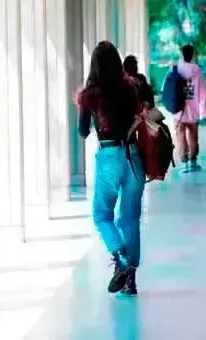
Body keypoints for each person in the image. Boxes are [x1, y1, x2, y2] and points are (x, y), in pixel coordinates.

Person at [77, 41, 146, 296]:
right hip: (133, 156)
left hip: (109, 157)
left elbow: (83, 132)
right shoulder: (129, 88)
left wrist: (87, 111)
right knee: (130, 218)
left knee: (102, 215)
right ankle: (131, 281)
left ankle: (122, 260)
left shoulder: (90, 95)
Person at [174, 44, 206, 172]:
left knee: (180, 134)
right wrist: (203, 111)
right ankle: (193, 161)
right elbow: (202, 91)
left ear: (182, 54)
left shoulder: (177, 68)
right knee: (193, 135)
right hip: (193, 110)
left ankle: (184, 162)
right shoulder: (197, 69)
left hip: (179, 110)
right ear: (192, 55)